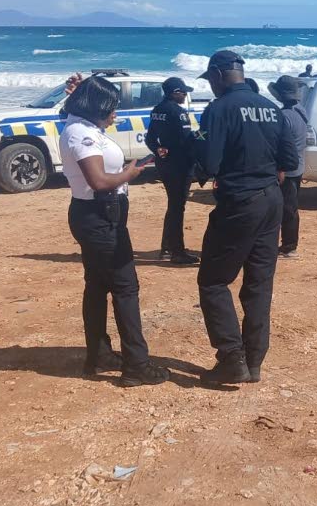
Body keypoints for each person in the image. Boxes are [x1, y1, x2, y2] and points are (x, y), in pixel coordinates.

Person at [194, 50, 299, 385]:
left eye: (210, 79)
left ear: (218, 75)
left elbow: (209, 163)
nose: (210, 85)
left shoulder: (218, 109)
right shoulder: (270, 108)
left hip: (240, 202)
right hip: (272, 201)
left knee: (213, 281)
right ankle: (253, 362)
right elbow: (290, 160)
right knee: (258, 284)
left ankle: (231, 358)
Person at [60, 75, 169, 386]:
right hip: (100, 215)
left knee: (97, 285)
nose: (115, 114)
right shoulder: (81, 134)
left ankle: (99, 355)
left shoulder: (81, 125)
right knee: (125, 288)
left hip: (97, 213)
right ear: (95, 108)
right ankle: (136, 365)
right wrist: (129, 173)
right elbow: (98, 181)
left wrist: (81, 90)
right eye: (111, 108)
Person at [145, 76, 198, 264]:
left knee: (173, 205)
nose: (185, 96)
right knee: (177, 207)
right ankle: (177, 251)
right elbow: (187, 140)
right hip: (180, 164)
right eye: (183, 93)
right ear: (175, 93)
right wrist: (204, 134)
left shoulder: (157, 110)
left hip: (164, 163)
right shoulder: (178, 112)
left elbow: (150, 138)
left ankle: (167, 248)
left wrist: (157, 149)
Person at [268, 75, 309, 259]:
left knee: (285, 209)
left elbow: (281, 145)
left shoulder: (284, 115)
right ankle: (289, 245)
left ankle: (289, 246)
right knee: (290, 207)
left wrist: (280, 169)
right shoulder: (300, 111)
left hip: (286, 169)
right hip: (297, 165)